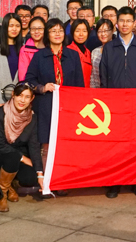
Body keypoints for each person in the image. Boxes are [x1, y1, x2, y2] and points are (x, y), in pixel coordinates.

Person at [100, 6, 136, 198]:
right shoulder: (109, 47)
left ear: (134, 24)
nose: (124, 24)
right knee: (116, 145)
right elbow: (104, 76)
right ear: (116, 24)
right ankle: (115, 182)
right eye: (121, 21)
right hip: (114, 104)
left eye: (128, 21)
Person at [26, 18, 84, 167]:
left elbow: (80, 84)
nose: (57, 34)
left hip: (68, 107)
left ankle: (61, 181)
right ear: (47, 34)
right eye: (53, 31)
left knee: (65, 144)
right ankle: (47, 182)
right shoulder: (39, 56)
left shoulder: (73, 55)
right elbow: (29, 80)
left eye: (60, 31)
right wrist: (42, 88)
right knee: (46, 145)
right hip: (46, 105)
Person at [0, 83, 44, 211]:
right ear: (13, 95)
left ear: (32, 99)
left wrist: (40, 174)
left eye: (26, 97)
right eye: (19, 95)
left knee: (31, 178)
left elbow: (34, 145)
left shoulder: (32, 117)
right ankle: (1, 194)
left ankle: (10, 185)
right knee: (13, 157)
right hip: (1, 155)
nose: (22, 100)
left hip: (19, 155)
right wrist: (23, 158)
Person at [0, 13, 23, 108]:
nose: (14, 29)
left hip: (19, 99)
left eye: (17, 26)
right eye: (11, 26)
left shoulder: (24, 47)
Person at [67, 18, 93, 87]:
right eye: (77, 31)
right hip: (74, 91)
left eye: (84, 31)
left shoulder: (88, 52)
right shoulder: (68, 51)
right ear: (72, 33)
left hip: (88, 92)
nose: (81, 34)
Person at [18, 16, 46, 81]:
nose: (36, 32)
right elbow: (23, 74)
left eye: (40, 28)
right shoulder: (24, 49)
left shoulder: (50, 47)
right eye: (33, 29)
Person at [89, 19, 114, 88]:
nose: (103, 34)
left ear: (112, 31)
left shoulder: (118, 50)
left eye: (106, 31)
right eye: (99, 31)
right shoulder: (95, 52)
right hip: (98, 91)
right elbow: (93, 76)